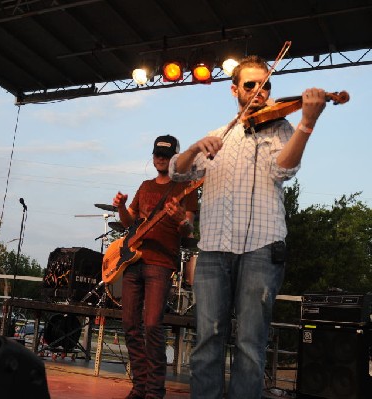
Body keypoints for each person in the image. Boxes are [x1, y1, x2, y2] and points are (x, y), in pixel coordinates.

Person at [169, 55, 327, 398]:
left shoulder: (282, 127)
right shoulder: (216, 136)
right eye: (251, 84)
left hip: (262, 245)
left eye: (266, 84)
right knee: (207, 338)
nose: (260, 90)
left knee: (250, 343)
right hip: (212, 249)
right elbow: (177, 171)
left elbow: (282, 169)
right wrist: (195, 146)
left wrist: (307, 124)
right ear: (234, 90)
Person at [112, 135, 198, 399]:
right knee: (129, 324)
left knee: (152, 326)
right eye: (157, 154)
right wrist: (122, 207)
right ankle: (139, 387)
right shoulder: (145, 185)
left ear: (175, 158)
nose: (160, 158)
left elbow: (189, 229)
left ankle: (154, 391)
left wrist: (179, 218)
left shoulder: (187, 188)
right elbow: (129, 224)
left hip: (161, 264)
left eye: (166, 155)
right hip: (133, 262)